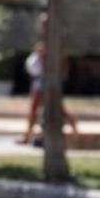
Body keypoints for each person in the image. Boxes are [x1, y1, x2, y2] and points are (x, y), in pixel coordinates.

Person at [18, 13, 78, 145]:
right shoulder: (44, 39)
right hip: (40, 78)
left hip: (47, 78)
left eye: (44, 24)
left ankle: (27, 136)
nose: (41, 26)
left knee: (41, 107)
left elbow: (61, 59)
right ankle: (73, 126)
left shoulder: (55, 39)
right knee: (46, 107)